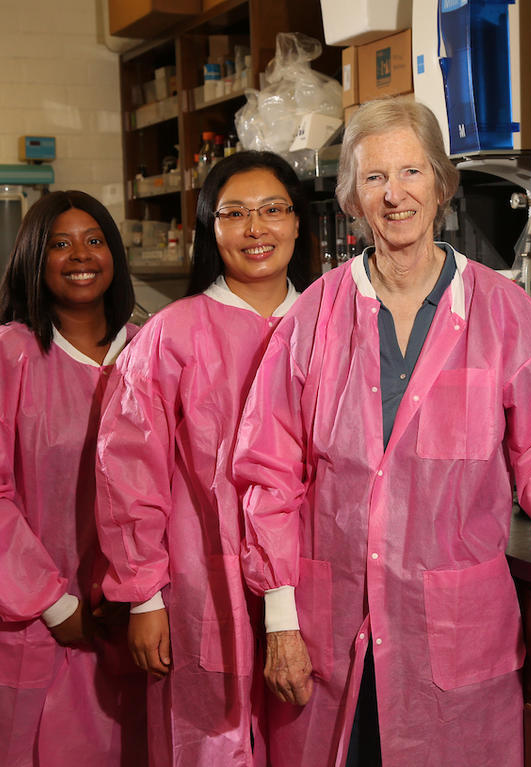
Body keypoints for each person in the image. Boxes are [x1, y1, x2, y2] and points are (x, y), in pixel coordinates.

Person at [232, 97, 531, 767]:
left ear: (441, 184)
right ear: (350, 195)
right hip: (333, 627)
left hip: (453, 631)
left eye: (410, 172)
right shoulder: (313, 317)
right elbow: (268, 471)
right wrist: (281, 618)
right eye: (373, 177)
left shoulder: (501, 311)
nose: (393, 193)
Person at [94, 151, 313, 767]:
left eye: (273, 210)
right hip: (204, 589)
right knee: (214, 743)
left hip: (314, 589)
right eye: (234, 213)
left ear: (299, 224)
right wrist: (144, 598)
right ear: (209, 229)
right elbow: (128, 474)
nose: (256, 229)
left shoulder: (330, 325)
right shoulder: (173, 333)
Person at [0, 190, 146, 767]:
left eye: (94, 240)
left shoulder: (151, 348)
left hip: (139, 627)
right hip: (39, 627)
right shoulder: (12, 355)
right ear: (34, 259)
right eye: (59, 244)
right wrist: (57, 606)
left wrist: (144, 595)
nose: (79, 255)